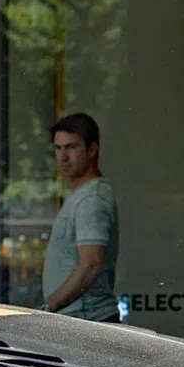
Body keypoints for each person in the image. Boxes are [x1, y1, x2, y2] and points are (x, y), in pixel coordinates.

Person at [41, 113, 119, 322]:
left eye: (71, 147)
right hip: (80, 320)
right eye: (58, 148)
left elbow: (92, 264)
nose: (63, 157)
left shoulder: (91, 199)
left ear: (92, 149)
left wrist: (50, 306)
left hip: (87, 320)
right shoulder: (83, 194)